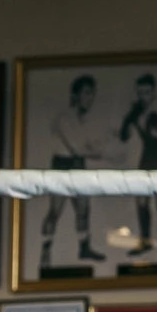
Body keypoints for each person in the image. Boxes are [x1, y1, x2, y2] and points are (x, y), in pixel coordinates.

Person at [39, 75, 109, 269]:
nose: (90, 98)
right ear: (76, 95)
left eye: (92, 94)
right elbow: (78, 147)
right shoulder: (65, 117)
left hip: (78, 165)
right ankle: (46, 250)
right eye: (87, 93)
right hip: (62, 166)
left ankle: (84, 247)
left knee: (84, 209)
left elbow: (87, 145)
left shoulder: (83, 119)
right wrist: (103, 153)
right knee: (54, 211)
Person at [120, 74, 157, 255]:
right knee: (141, 201)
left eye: (146, 92)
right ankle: (145, 241)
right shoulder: (138, 112)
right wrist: (130, 119)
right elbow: (124, 136)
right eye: (140, 92)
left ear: (153, 92)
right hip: (147, 158)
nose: (143, 96)